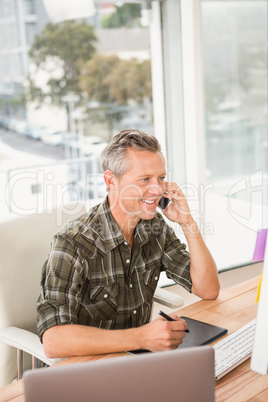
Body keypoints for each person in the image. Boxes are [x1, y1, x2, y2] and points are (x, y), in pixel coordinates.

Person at [37, 129, 220, 358]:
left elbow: (208, 289)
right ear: (110, 180)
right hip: (88, 370)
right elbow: (54, 341)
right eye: (145, 179)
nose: (157, 190)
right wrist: (142, 337)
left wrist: (187, 222)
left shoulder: (155, 227)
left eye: (161, 178)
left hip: (138, 362)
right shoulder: (73, 244)